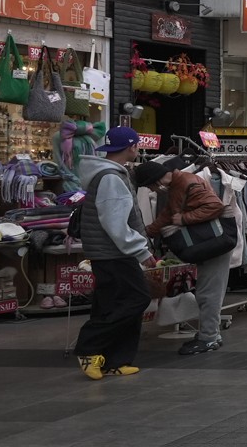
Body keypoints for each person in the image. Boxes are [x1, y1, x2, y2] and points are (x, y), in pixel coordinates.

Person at [74, 126, 157, 380]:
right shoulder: (111, 178)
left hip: (110, 252)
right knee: (137, 299)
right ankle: (89, 348)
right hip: (113, 253)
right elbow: (115, 224)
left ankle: (115, 360)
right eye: (137, 146)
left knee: (111, 302)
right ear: (131, 147)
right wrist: (142, 251)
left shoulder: (109, 174)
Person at [143, 158, 234, 355]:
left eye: (149, 185)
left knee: (209, 293)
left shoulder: (186, 182)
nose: (151, 190)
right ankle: (210, 334)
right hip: (209, 244)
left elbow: (214, 206)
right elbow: (168, 214)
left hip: (213, 245)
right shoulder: (179, 184)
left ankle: (209, 337)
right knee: (206, 291)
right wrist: (148, 231)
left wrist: (184, 219)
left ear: (155, 181)